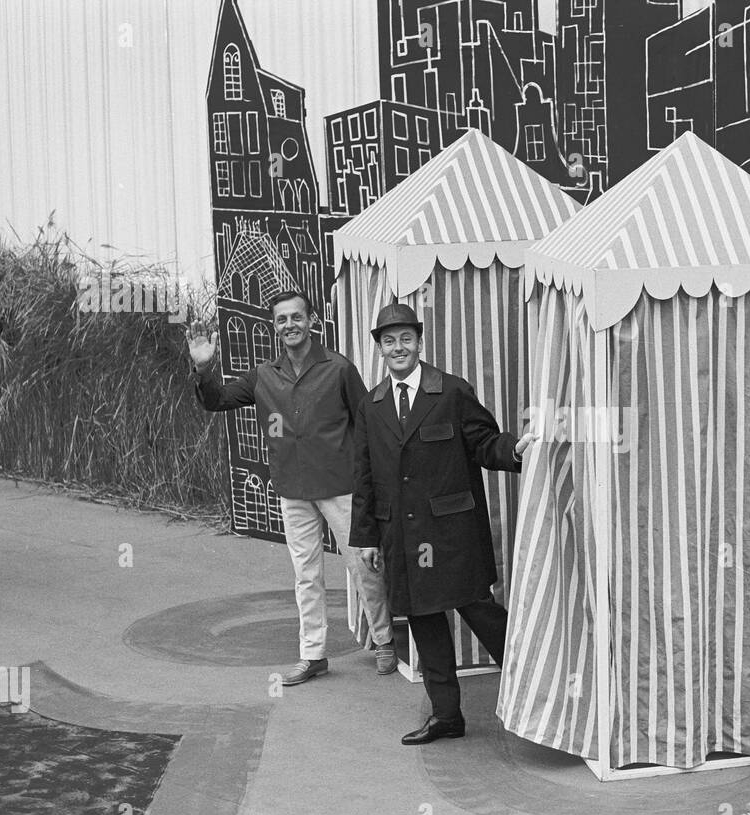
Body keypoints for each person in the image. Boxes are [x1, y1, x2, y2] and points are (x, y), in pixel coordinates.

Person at [350, 303, 537, 744]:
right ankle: (447, 716)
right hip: (401, 534)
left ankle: (540, 691)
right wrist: (366, 538)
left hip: (452, 534)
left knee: (480, 611)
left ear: (419, 342)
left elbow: (484, 443)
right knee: (424, 621)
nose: (399, 348)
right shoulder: (370, 406)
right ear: (380, 348)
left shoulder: (451, 392)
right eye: (389, 341)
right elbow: (363, 476)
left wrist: (515, 451)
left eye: (406, 339)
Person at [189, 289, 396, 683]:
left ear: (312, 320)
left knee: (363, 566)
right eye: (282, 319)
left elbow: (367, 424)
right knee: (306, 574)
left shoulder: (339, 369)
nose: (290, 325)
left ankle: (385, 641)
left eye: (296, 317)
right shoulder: (264, 375)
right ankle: (313, 655)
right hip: (293, 489)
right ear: (274, 326)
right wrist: (203, 370)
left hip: (340, 484)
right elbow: (217, 400)